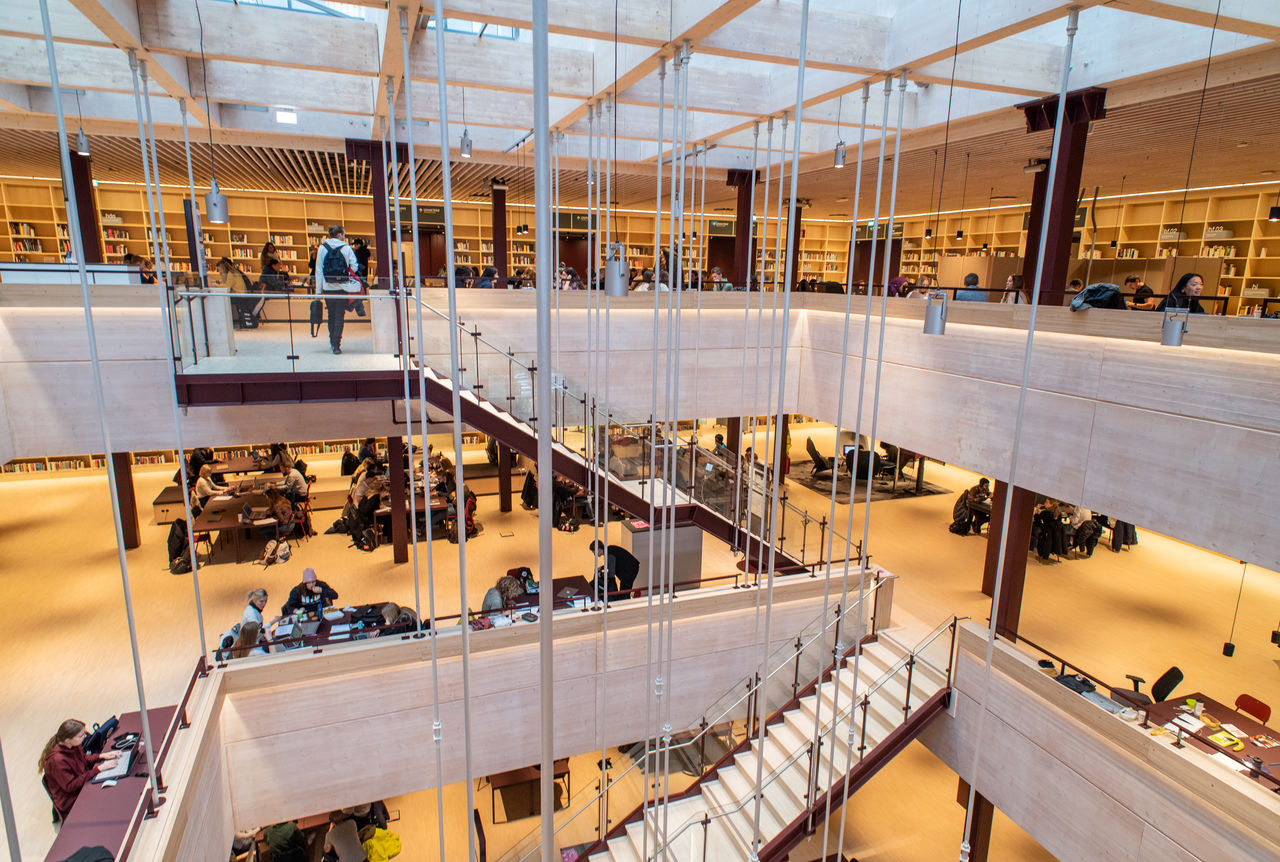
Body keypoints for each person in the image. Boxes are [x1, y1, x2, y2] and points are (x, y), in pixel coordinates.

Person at [39, 719, 121, 816]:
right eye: (81, 736)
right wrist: (98, 769)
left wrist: (101, 756)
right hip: (71, 799)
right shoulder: (57, 761)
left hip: (81, 783)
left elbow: (82, 758)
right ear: (68, 740)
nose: (85, 736)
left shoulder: (73, 745)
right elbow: (71, 785)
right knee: (108, 798)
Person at [316, 225, 360, 354]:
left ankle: (332, 341)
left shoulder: (322, 248)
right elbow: (355, 267)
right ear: (340, 234)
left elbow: (319, 270)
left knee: (331, 315)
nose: (344, 236)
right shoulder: (346, 248)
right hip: (342, 287)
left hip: (328, 288)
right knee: (339, 316)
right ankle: (336, 344)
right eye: (344, 234)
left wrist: (318, 291)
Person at [216, 256, 261, 328]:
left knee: (222, 301)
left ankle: (223, 322)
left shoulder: (231, 274)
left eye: (219, 270)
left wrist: (215, 285)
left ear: (223, 268)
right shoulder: (234, 272)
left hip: (240, 296)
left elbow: (227, 286)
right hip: (241, 295)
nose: (219, 272)